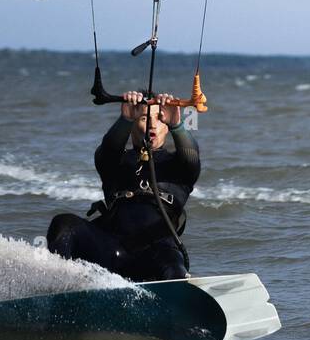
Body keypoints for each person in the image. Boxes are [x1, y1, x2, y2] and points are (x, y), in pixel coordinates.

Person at [47, 90, 200, 281]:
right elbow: (108, 150)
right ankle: (59, 284)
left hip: (157, 253)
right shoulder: (115, 161)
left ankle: (177, 295)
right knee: (64, 223)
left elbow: (191, 156)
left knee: (173, 266)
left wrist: (177, 125)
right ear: (134, 123)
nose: (152, 124)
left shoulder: (179, 166)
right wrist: (124, 119)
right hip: (111, 250)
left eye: (159, 119)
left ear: (166, 127)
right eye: (144, 118)